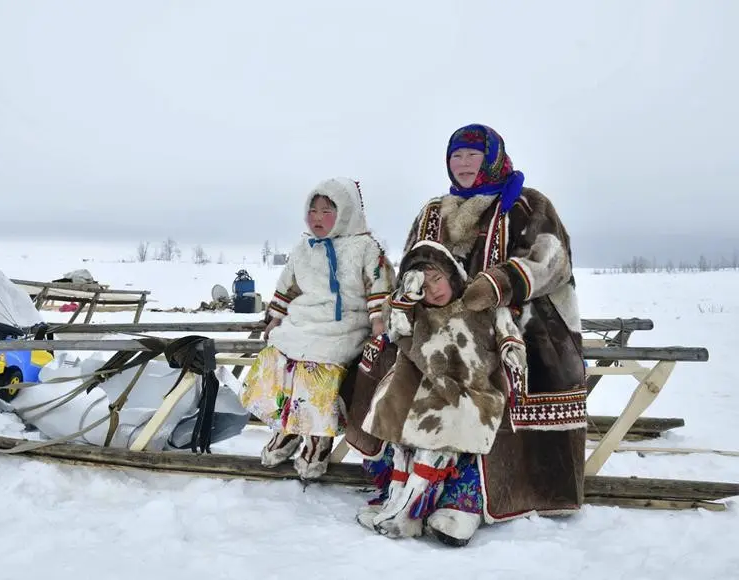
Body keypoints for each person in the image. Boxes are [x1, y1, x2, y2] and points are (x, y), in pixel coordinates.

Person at [363, 123, 587, 547]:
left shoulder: (527, 204)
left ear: (492, 158)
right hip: (439, 331)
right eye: (456, 156)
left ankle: (465, 501)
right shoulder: (433, 211)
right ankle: (406, 493)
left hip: (521, 325)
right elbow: (412, 261)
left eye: (472, 155)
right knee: (401, 383)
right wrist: (411, 294)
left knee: (492, 389)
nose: (463, 164)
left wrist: (500, 282)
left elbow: (553, 261)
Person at [354, 239, 527, 541]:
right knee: (400, 437)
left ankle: (409, 513)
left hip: (471, 391)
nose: (433, 290)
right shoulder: (419, 312)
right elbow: (397, 327)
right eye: (425, 285)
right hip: (427, 388)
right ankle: (395, 502)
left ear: (451, 273)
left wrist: (512, 350)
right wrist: (407, 298)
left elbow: (506, 329)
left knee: (438, 435)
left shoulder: (480, 302)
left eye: (437, 278)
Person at [240, 177, 395, 480]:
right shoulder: (304, 247)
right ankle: (287, 428)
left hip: (346, 325)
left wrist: (379, 322)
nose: (317, 218)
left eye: (327, 211)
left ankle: (317, 439)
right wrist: (275, 317)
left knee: (316, 366)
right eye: (312, 211)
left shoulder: (364, 247)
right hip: (305, 322)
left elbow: (379, 287)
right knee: (276, 357)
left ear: (346, 212)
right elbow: (288, 285)